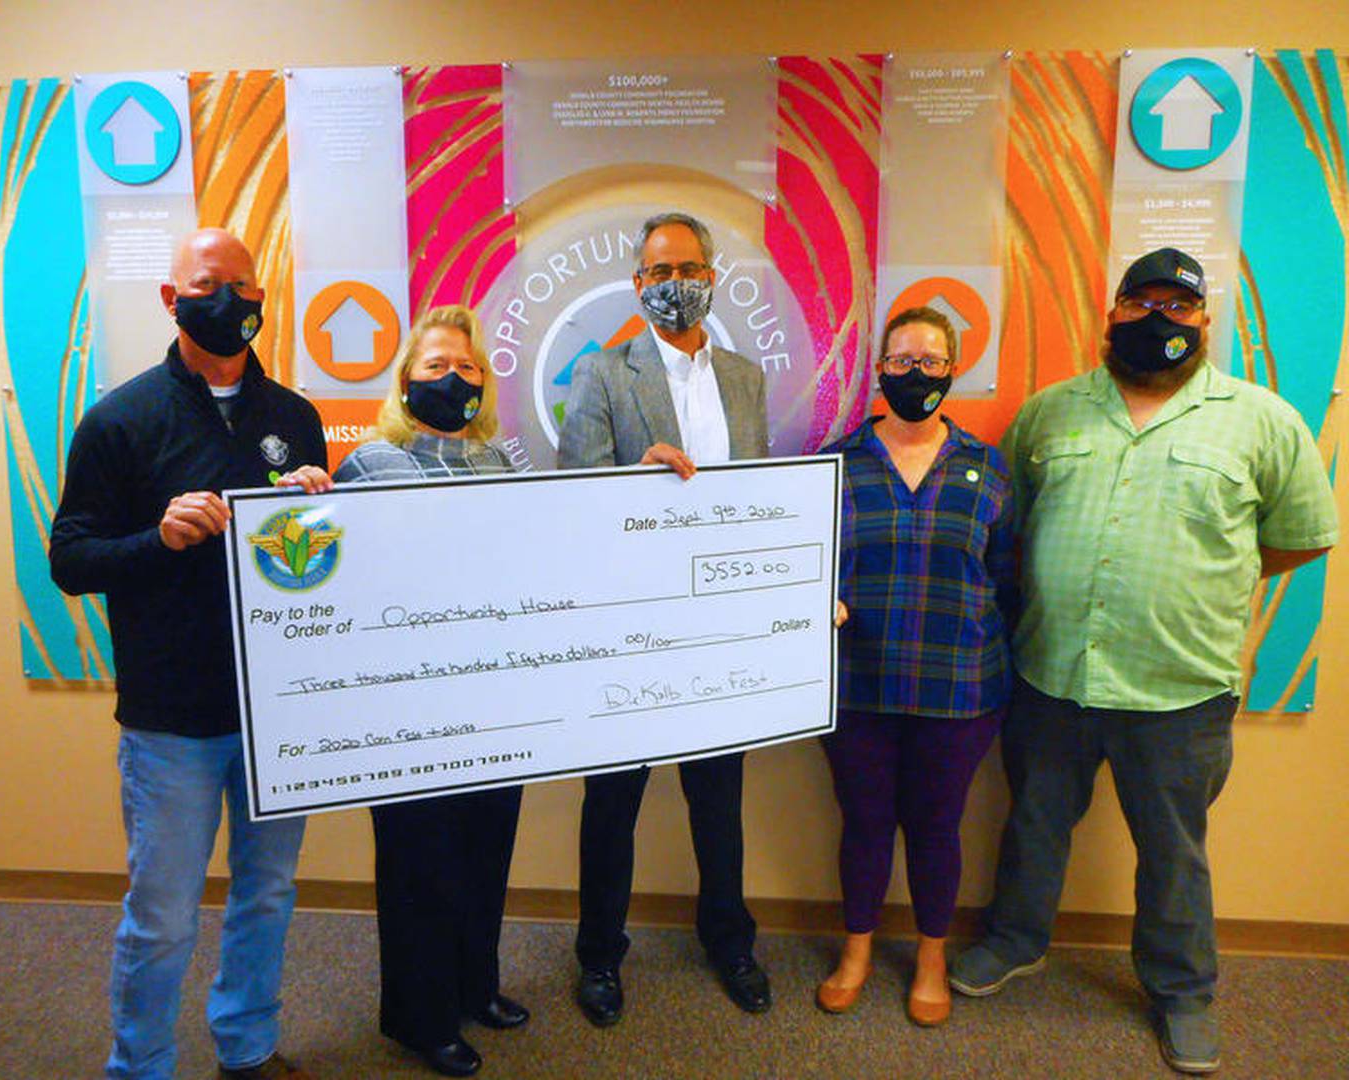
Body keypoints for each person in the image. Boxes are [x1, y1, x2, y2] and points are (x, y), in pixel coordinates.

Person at [949, 248, 1338, 1074]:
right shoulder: (1051, 413)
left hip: (1179, 686)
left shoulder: (1260, 418)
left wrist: (1209, 580)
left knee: (1173, 849)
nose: (1159, 319)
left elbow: (1298, 537)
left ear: (1204, 321)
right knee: (1035, 823)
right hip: (1052, 673)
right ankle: (1017, 940)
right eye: (1141, 302)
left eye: (1178, 305)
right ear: (1114, 312)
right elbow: (1011, 522)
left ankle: (1182, 991)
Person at [50, 228, 331, 1080]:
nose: (231, 299)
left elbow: (309, 570)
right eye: (210, 284)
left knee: (268, 896)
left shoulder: (295, 417)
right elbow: (70, 559)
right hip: (171, 722)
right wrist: (158, 538)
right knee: (165, 915)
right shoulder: (119, 421)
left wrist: (323, 516)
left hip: (277, 714)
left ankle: (247, 1046)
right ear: (171, 300)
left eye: (245, 285)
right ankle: (139, 1067)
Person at [558, 211, 772, 1025]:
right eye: (656, 271)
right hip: (629, 631)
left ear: (712, 276)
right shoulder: (605, 374)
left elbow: (759, 499)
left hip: (718, 629)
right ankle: (600, 956)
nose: (673, 282)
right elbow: (573, 494)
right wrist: (631, 481)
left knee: (719, 801)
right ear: (637, 284)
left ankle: (731, 940)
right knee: (612, 803)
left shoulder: (748, 378)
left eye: (688, 266)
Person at [334, 305, 528, 1079]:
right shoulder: (368, 464)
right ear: (406, 381)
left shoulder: (503, 463)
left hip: (494, 696)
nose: (455, 378)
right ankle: (421, 1017)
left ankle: (476, 986)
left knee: (487, 849)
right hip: (409, 704)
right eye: (437, 366)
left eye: (469, 368)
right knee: (421, 862)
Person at [817, 307, 1016, 1026]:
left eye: (933, 360)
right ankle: (858, 950)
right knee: (864, 822)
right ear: (879, 369)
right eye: (902, 360)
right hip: (856, 685)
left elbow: (1008, 576)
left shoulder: (988, 467)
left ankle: (931, 956)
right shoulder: (834, 464)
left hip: (959, 688)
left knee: (938, 826)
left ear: (954, 369)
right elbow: (803, 567)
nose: (916, 373)